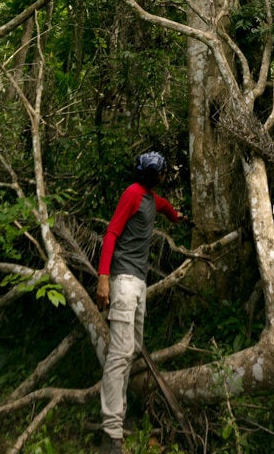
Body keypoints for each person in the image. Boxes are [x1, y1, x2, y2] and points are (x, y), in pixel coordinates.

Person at [96, 150, 186, 454]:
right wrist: (104, 278)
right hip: (122, 282)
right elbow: (111, 234)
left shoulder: (149, 197)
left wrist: (177, 217)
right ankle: (111, 434)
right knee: (119, 356)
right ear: (153, 175)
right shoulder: (133, 194)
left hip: (138, 285)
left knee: (130, 350)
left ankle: (118, 420)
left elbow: (164, 208)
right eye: (161, 173)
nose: (164, 177)